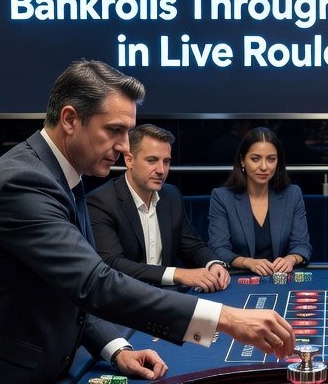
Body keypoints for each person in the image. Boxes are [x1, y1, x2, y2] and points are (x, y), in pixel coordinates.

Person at [0, 60, 292, 384]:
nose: (125, 146)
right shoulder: (23, 184)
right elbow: (94, 282)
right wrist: (224, 318)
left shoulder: (64, 176)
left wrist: (116, 349)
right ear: (71, 119)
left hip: (25, 379)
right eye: (115, 130)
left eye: (128, 131)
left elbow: (67, 285)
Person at [87, 124, 229, 292]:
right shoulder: (101, 202)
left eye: (166, 161)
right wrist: (178, 274)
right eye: (152, 160)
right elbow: (112, 263)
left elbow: (193, 246)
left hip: (169, 298)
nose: (161, 170)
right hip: (123, 301)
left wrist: (213, 264)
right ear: (129, 160)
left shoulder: (171, 196)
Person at [208, 126, 312, 275]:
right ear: (242, 160)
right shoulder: (221, 197)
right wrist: (247, 262)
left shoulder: (292, 194)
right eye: (255, 159)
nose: (264, 167)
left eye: (271, 159)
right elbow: (218, 249)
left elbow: (302, 245)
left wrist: (291, 259)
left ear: (278, 163)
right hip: (238, 279)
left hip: (279, 279)